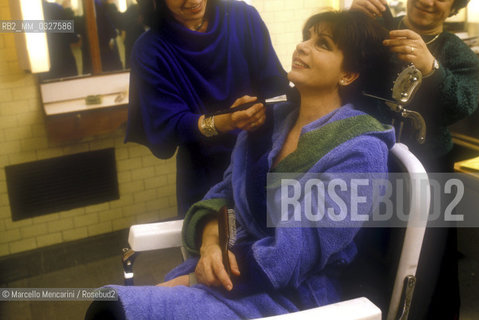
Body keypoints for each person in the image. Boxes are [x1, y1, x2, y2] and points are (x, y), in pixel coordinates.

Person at [85, 10, 395, 320]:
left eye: (323, 44)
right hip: (226, 272)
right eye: (307, 37)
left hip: (291, 295)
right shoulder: (268, 125)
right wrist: (210, 244)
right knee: (111, 307)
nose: (303, 47)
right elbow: (224, 198)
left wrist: (194, 280)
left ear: (348, 74)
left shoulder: (360, 149)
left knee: (113, 311)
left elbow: (298, 250)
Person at [350, 1, 479, 319]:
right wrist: (352, 20)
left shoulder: (456, 50)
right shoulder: (378, 28)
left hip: (431, 168)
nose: (429, 1)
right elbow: (345, 64)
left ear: (454, 6)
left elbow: (464, 103)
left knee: (428, 257)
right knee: (368, 248)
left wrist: (431, 68)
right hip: (371, 158)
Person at [125, 0, 289, 217]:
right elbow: (169, 124)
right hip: (204, 173)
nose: (193, 1)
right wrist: (227, 121)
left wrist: (261, 110)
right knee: (213, 242)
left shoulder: (243, 17)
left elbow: (275, 85)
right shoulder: (150, 49)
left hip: (261, 159)